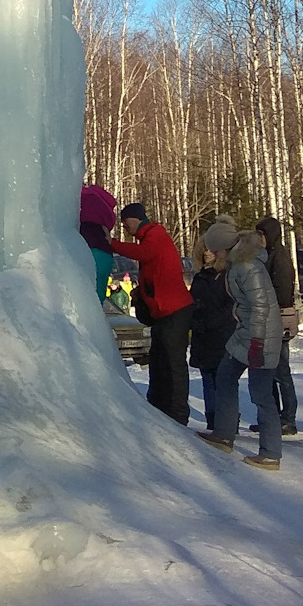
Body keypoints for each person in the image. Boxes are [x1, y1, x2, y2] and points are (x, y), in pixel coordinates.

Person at [197, 225, 285, 469]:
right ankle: (224, 435)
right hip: (245, 332)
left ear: (224, 248)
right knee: (225, 376)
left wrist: (257, 342)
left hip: (262, 335)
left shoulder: (248, 267)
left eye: (214, 249)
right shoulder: (237, 264)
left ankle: (270, 453)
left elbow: (261, 306)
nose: (211, 253)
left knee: (261, 393)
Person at [108, 202, 196, 425]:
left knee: (173, 362)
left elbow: (144, 253)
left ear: (135, 219)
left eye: (125, 223)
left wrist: (112, 244)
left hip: (174, 311)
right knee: (159, 359)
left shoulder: (155, 234)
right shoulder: (150, 237)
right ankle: (159, 404)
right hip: (163, 312)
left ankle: (177, 412)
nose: (125, 227)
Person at [189, 219, 238, 433]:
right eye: (203, 250)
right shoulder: (200, 278)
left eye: (210, 250)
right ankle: (213, 420)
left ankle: (227, 421)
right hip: (203, 337)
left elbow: (230, 307)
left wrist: (209, 321)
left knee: (223, 381)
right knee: (208, 379)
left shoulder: (227, 276)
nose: (207, 253)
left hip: (223, 336)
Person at [254, 217, 300, 436]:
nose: (258, 239)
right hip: (268, 316)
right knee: (268, 369)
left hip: (279, 316)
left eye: (261, 235)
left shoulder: (279, 257)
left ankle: (288, 417)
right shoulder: (265, 255)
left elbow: (282, 290)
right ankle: (272, 416)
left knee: (281, 370)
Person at [81, 183, 119, 308]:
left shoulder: (83, 197)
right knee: (97, 297)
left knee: (81, 295)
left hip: (86, 248)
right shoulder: (105, 210)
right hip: (105, 253)